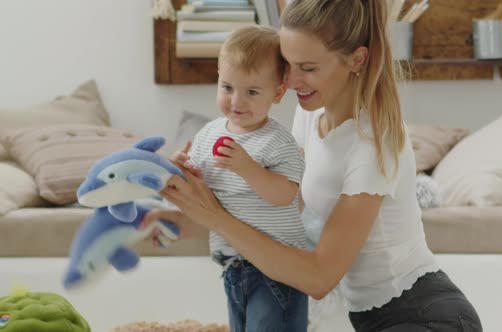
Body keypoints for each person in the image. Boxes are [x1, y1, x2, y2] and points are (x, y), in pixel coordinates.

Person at [144, 0, 483, 331]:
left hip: (426, 317)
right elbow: (281, 217)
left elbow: (319, 276)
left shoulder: (371, 145)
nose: (291, 81)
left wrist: (213, 216)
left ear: (356, 60)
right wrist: (187, 207)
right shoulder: (311, 117)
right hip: (370, 320)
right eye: (288, 64)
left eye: (308, 68)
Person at [167, 25, 309, 332]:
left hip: (277, 270)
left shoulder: (277, 141)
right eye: (227, 87)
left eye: (252, 92)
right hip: (233, 265)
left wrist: (248, 168)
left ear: (278, 93)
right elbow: (200, 188)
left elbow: (286, 196)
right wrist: (182, 169)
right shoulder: (209, 133)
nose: (237, 101)